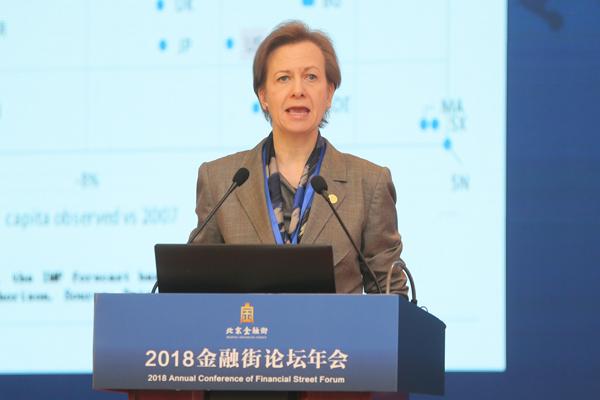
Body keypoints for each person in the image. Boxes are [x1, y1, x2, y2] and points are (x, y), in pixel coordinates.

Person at [189, 21, 407, 296]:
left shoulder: (369, 183)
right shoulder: (221, 181)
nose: (298, 90)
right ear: (263, 96)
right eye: (283, 78)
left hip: (335, 327)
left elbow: (390, 294)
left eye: (311, 77)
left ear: (329, 93)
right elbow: (196, 287)